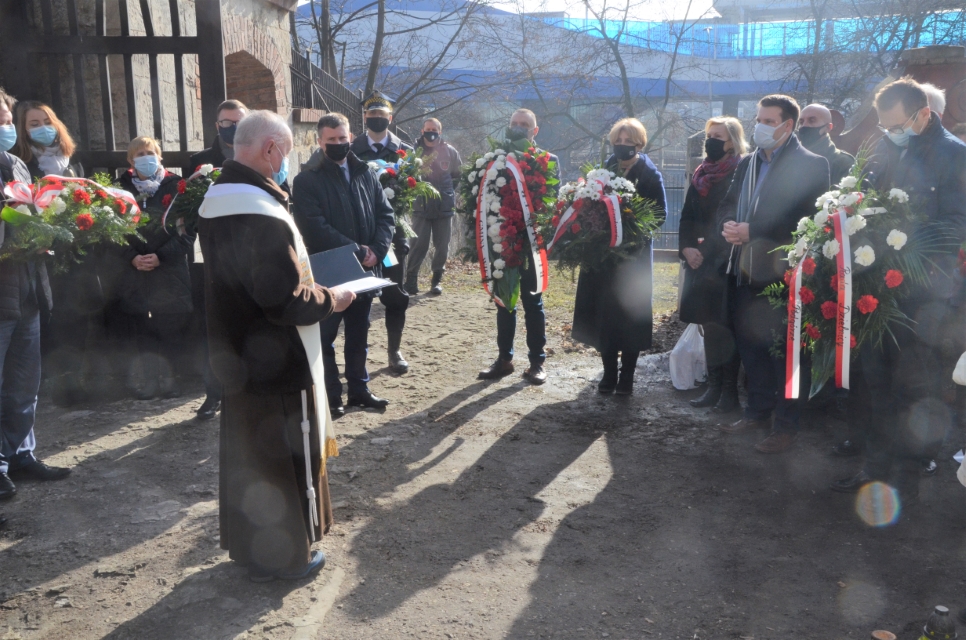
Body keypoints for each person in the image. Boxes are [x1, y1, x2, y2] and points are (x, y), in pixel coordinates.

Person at [197, 110, 355, 582]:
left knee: (252, 459)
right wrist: (334, 298)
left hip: (237, 356)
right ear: (270, 149)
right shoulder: (259, 211)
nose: (285, 162)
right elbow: (283, 299)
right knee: (285, 457)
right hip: (278, 359)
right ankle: (289, 557)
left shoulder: (218, 198)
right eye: (284, 152)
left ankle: (251, 550)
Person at [830, 78, 966, 503]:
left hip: (926, 296)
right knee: (874, 380)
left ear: (923, 114)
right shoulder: (886, 148)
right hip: (880, 288)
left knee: (915, 386)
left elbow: (956, 225)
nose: (890, 132)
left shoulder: (955, 156)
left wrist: (903, 242)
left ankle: (909, 469)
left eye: (897, 124)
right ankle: (875, 468)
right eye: (885, 125)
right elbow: (865, 200)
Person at [717, 94, 830, 454]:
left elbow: (805, 219)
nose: (760, 126)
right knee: (751, 347)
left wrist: (754, 230)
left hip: (784, 276)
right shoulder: (748, 163)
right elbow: (727, 202)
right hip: (744, 269)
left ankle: (786, 425)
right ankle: (757, 412)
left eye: (768, 121)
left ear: (788, 125)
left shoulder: (812, 164)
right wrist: (728, 225)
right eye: (758, 119)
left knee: (787, 353)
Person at [293, 112, 395, 417]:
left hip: (365, 269)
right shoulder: (307, 180)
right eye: (332, 140)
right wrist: (354, 249)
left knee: (359, 334)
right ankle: (332, 395)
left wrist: (377, 249)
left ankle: (360, 390)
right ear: (320, 141)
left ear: (350, 137)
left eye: (343, 138)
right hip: (331, 272)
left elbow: (385, 215)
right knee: (325, 337)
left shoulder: (366, 173)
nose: (339, 144)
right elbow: (313, 225)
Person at [0, 88, 71, 503]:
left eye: (7, 120)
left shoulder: (17, 167)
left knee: (24, 383)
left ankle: (20, 454)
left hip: (26, 291)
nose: (6, 128)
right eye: (2, 122)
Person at [570, 118, 666, 395]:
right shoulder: (603, 171)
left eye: (629, 142)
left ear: (639, 144)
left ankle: (627, 377)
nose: (622, 146)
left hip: (632, 261)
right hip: (602, 258)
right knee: (604, 315)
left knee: (628, 317)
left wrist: (632, 227)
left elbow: (660, 215)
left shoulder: (650, 174)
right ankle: (609, 373)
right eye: (618, 141)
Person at [113, 137, 194, 400]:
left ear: (160, 157)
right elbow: (110, 232)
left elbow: (187, 231)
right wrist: (132, 257)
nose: (145, 158)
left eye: (150, 153)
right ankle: (147, 380)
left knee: (169, 327)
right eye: (139, 154)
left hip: (168, 271)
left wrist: (160, 256)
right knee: (141, 330)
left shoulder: (178, 187)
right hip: (134, 272)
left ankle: (170, 378)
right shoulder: (119, 188)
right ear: (130, 160)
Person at [185, 99, 249, 420]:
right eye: (226, 122)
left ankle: (247, 393)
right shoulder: (199, 162)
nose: (232, 127)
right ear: (217, 125)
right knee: (213, 329)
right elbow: (188, 207)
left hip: (251, 257)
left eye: (238, 121)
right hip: (211, 257)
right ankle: (213, 393)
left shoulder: (259, 155)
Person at [680, 116, 747, 412]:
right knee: (708, 325)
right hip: (699, 262)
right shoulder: (700, 173)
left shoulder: (741, 170)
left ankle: (729, 393)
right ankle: (714, 386)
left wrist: (707, 251)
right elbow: (687, 216)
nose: (711, 141)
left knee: (725, 328)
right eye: (709, 135)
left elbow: (729, 215)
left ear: (732, 140)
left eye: (717, 136)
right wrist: (686, 248)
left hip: (724, 261)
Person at [349, 91, 412, 374]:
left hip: (393, 236)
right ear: (364, 117)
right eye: (371, 115)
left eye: (381, 115)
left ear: (391, 117)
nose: (376, 119)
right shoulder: (350, 149)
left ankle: (394, 350)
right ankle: (355, 357)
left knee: (395, 295)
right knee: (354, 297)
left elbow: (414, 193)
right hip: (359, 237)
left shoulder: (406, 151)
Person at [404, 117, 462, 296]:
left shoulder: (450, 152)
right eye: (428, 128)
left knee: (442, 245)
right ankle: (411, 280)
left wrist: (446, 193)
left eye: (434, 129)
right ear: (422, 131)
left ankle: (436, 280)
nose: (431, 132)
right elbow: (406, 174)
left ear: (440, 131)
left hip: (444, 207)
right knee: (417, 244)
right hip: (420, 206)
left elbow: (457, 175)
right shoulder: (413, 151)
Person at [12, 101, 81, 179]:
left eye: (48, 122)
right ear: (23, 129)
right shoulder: (19, 161)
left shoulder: (71, 155)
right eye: (35, 124)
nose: (43, 127)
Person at [798, 104, 855, 186]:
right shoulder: (789, 157)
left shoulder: (843, 163)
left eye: (812, 120)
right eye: (801, 122)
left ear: (828, 127)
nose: (804, 125)